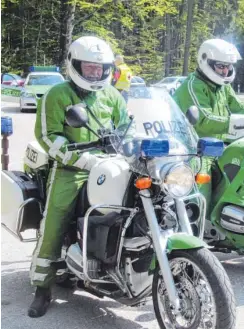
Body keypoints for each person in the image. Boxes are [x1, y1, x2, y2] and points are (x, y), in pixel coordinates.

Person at [29, 36, 129, 318]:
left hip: (111, 165)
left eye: (100, 69)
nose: (95, 73)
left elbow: (127, 127)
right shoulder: (57, 93)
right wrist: (82, 159)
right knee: (56, 217)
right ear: (75, 65)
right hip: (71, 168)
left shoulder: (112, 95)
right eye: (89, 68)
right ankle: (42, 288)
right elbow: (48, 136)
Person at [173, 38, 244, 214]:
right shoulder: (193, 85)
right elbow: (204, 120)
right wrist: (233, 123)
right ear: (206, 61)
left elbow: (238, 104)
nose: (225, 71)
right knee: (203, 181)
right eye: (220, 66)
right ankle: (199, 223)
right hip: (196, 149)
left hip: (218, 146)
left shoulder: (222, 86)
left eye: (228, 67)